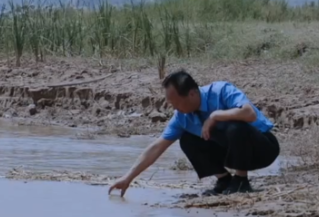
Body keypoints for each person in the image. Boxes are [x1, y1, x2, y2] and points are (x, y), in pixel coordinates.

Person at [108, 70, 279, 196]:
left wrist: (216, 116)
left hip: (263, 149)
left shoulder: (221, 91)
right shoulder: (181, 117)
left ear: (191, 93)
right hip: (232, 153)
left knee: (236, 126)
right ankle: (224, 180)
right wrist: (127, 178)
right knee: (187, 140)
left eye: (176, 102)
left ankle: (241, 181)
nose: (174, 108)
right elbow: (157, 147)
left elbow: (249, 113)